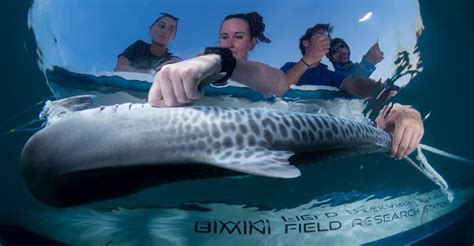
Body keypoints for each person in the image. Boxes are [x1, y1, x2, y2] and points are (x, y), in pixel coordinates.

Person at [147, 14, 423, 159]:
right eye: (225, 37)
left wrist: (401, 107)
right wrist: (207, 63)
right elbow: (280, 80)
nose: (230, 42)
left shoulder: (326, 75)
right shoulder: (286, 67)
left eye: (239, 36)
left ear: (251, 43)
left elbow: (278, 83)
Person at [280, 23, 387, 98]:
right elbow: (279, 89)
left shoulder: (330, 75)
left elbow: (354, 84)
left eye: (328, 37)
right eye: (321, 34)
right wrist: (308, 58)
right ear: (306, 43)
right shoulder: (290, 67)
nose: (327, 39)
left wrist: (385, 92)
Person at [114, 13, 182, 74]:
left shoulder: (171, 60)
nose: (165, 31)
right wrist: (152, 72)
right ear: (150, 29)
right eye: (162, 26)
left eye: (171, 30)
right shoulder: (138, 47)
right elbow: (119, 69)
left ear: (173, 37)